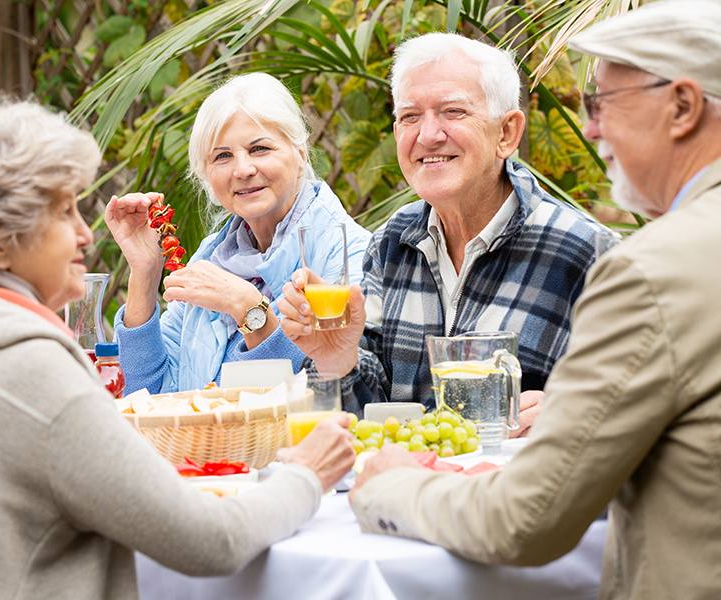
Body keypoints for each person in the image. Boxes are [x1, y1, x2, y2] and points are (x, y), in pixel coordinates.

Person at [0, 99, 356, 600]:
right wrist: (305, 476)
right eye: (63, 212)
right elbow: (210, 542)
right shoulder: (25, 367)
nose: (85, 234)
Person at [350, 1, 721, 598]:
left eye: (604, 104)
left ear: (681, 107)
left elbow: (527, 520)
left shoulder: (645, 270)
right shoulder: (390, 242)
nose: (592, 128)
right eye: (408, 116)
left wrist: (390, 486)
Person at [279, 34, 609, 423]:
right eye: (409, 116)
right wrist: (338, 361)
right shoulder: (391, 243)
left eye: (453, 111)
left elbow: (644, 410)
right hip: (402, 482)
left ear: (506, 134)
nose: (428, 135)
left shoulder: (588, 252)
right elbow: (362, 421)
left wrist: (569, 412)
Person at [106, 72, 371, 394]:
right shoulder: (212, 259)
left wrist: (249, 308)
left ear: (300, 154)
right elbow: (147, 395)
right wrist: (144, 273)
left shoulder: (351, 254)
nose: (242, 170)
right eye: (223, 156)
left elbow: (335, 393)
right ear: (206, 174)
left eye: (259, 148)